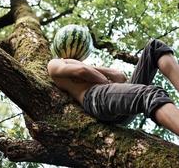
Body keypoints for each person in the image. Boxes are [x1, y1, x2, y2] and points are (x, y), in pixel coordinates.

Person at [47, 39, 179, 136]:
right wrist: (102, 79)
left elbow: (120, 77)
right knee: (150, 94)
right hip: (95, 98)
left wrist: (92, 69)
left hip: (117, 104)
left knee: (155, 47)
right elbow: (81, 71)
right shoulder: (54, 62)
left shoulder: (85, 66)